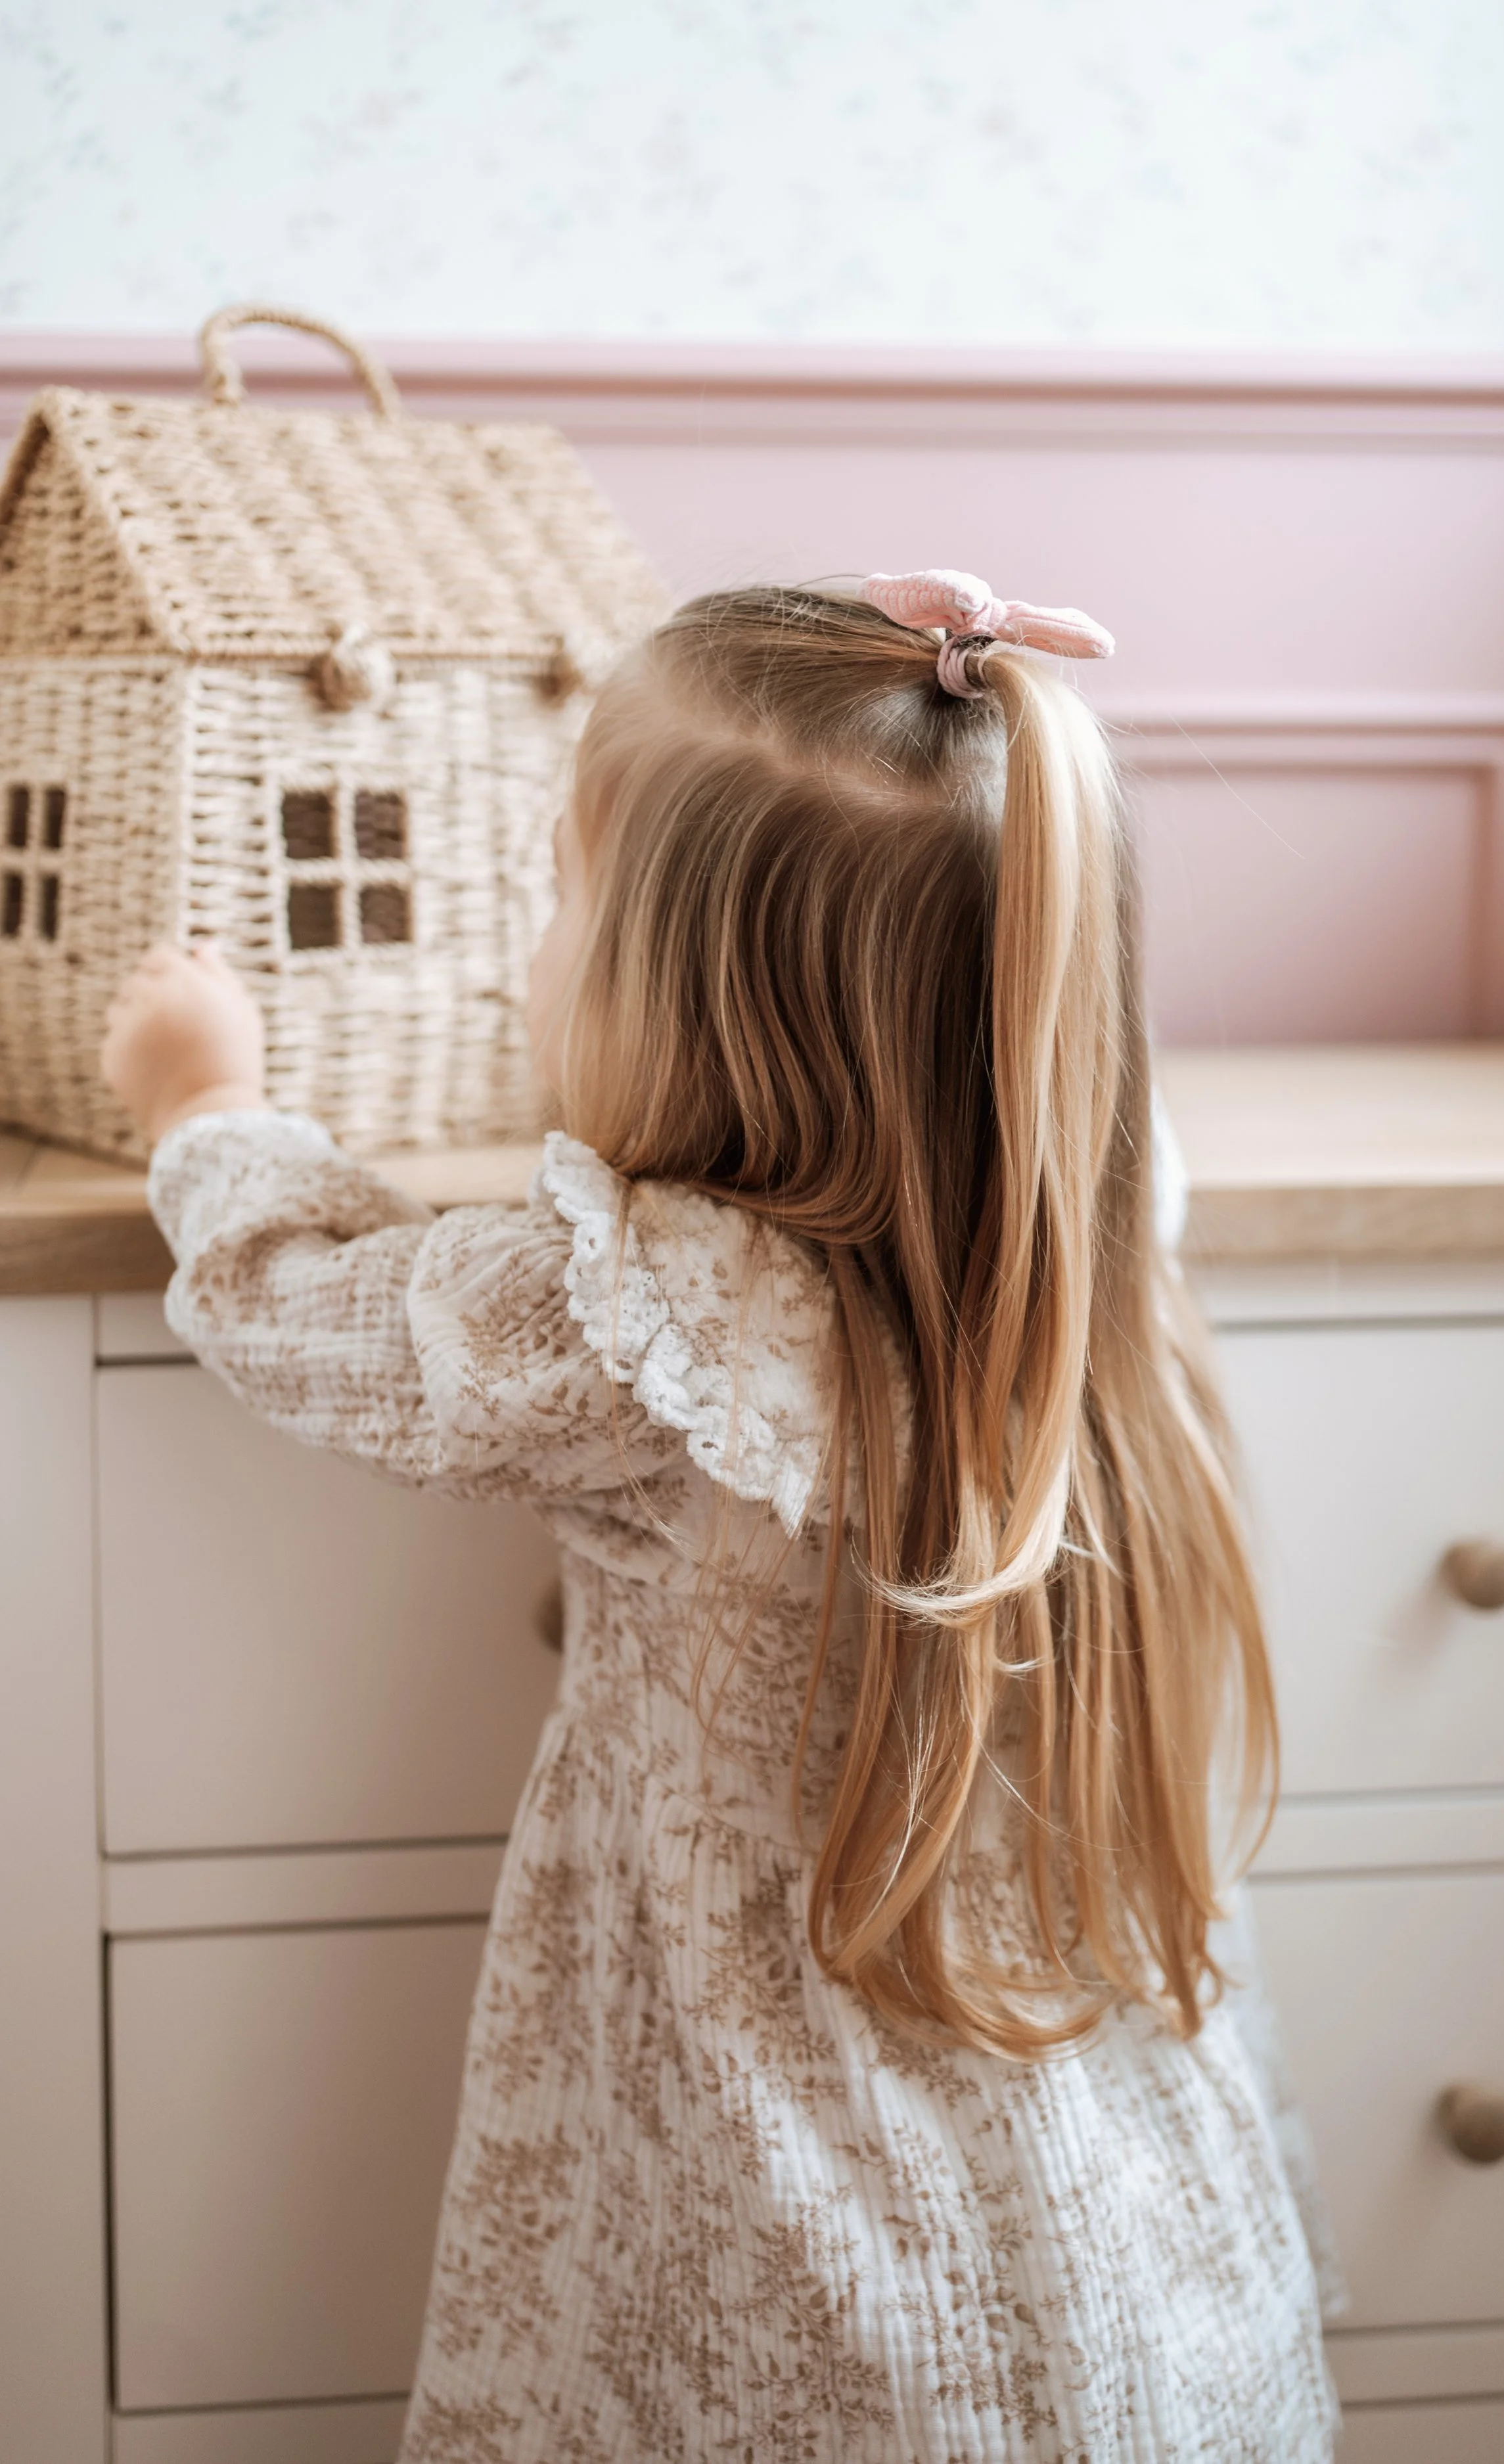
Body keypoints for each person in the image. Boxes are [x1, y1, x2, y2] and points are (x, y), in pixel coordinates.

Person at [102, 572, 1339, 2463]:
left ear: (679, 1010)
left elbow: (308, 1309)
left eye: (560, 896)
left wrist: (206, 1101)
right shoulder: (1074, 1262)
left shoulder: (647, 1319)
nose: (532, 954)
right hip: (1140, 2274)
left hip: (812, 2272)